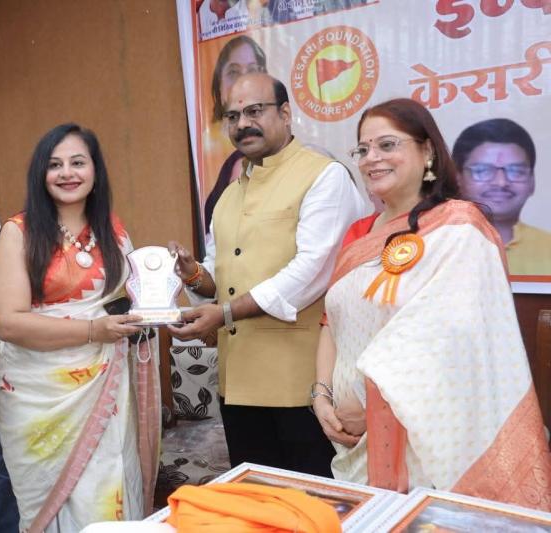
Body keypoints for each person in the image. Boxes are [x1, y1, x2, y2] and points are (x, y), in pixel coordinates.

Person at [313, 98, 551, 510]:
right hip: (353, 440)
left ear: (427, 152)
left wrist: (364, 399)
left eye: (387, 145)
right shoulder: (359, 234)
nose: (372, 158)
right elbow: (331, 322)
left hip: (428, 440)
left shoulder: (460, 227)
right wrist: (321, 397)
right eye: (363, 149)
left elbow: (447, 335)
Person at [169, 73, 367, 476]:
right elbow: (220, 278)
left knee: (314, 500)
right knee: (256, 499)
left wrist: (225, 313)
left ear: (286, 113)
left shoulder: (324, 176)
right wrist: (192, 274)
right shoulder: (228, 196)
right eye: (233, 116)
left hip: (304, 387)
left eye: (255, 111)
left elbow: (311, 272)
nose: (243, 123)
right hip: (238, 385)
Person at [0, 123, 161, 532]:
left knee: (108, 488)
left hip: (107, 386)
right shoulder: (19, 232)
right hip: (40, 397)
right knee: (51, 504)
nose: (67, 173)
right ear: (41, 174)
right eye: (55, 165)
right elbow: (8, 323)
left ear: (95, 171)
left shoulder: (113, 230)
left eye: (78, 163)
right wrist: (92, 332)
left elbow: (133, 299)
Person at [453, 118, 551, 276]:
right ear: (458, 178)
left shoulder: (547, 247)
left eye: (515, 171)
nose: (501, 183)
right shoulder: (436, 242)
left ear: (532, 181)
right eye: (482, 170)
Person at [203, 35, 267, 232]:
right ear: (219, 84)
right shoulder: (215, 151)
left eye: (252, 70)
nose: (243, 81)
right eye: (233, 72)